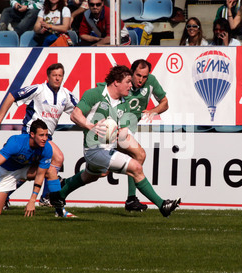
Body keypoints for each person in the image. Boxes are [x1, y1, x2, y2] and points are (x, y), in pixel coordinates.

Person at [47, 65, 180, 217]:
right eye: (128, 82)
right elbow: (75, 115)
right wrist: (91, 126)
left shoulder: (124, 104)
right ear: (116, 82)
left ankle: (58, 196)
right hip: (94, 149)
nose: (131, 85)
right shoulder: (95, 94)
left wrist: (121, 133)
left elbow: (123, 131)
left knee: (90, 175)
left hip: (107, 149)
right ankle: (162, 205)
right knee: (136, 167)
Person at [0, 63, 78, 216]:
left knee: (29, 172)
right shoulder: (38, 89)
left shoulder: (66, 95)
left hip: (45, 137)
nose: (57, 78)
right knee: (58, 158)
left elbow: (80, 111)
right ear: (48, 76)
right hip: (31, 135)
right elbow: (12, 95)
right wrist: (0, 116)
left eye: (60, 75)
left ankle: (7, 197)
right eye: (54, 75)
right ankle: (47, 197)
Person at [120, 59, 169, 212]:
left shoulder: (151, 81)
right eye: (138, 75)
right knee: (139, 156)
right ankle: (133, 199)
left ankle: (62, 189)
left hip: (130, 130)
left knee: (100, 171)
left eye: (144, 76)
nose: (141, 79)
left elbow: (165, 102)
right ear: (131, 73)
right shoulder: (122, 82)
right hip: (117, 128)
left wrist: (154, 110)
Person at [0, 119, 53, 217]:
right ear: (32, 134)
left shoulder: (47, 148)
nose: (45, 138)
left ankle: (59, 208)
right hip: (6, 172)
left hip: (26, 170)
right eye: (41, 135)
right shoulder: (16, 142)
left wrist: (32, 201)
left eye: (46, 135)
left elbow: (40, 174)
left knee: (50, 171)